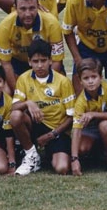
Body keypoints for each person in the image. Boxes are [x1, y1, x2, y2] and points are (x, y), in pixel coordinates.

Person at [10, 39, 75, 176]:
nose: (39, 65)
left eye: (43, 60)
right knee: (16, 116)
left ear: (50, 60)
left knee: (61, 168)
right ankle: (31, 155)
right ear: (29, 62)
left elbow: (71, 117)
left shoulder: (63, 81)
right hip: (35, 125)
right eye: (35, 61)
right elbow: (14, 107)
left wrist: (52, 135)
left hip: (57, 130)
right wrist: (28, 103)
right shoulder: (23, 78)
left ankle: (50, 153)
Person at [0, 0, 64, 93]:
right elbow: (6, 64)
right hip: (18, 63)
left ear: (38, 7)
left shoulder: (52, 23)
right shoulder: (4, 27)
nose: (28, 14)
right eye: (23, 9)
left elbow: (56, 60)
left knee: (62, 85)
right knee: (6, 91)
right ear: (15, 8)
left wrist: (43, 90)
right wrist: (18, 92)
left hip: (45, 63)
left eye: (32, 8)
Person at [70, 58, 107, 176]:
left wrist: (93, 114)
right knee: (82, 149)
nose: (91, 81)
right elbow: (76, 130)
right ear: (80, 81)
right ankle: (98, 151)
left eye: (94, 77)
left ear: (100, 77)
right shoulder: (80, 101)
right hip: (91, 130)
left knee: (105, 125)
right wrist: (74, 159)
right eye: (86, 78)